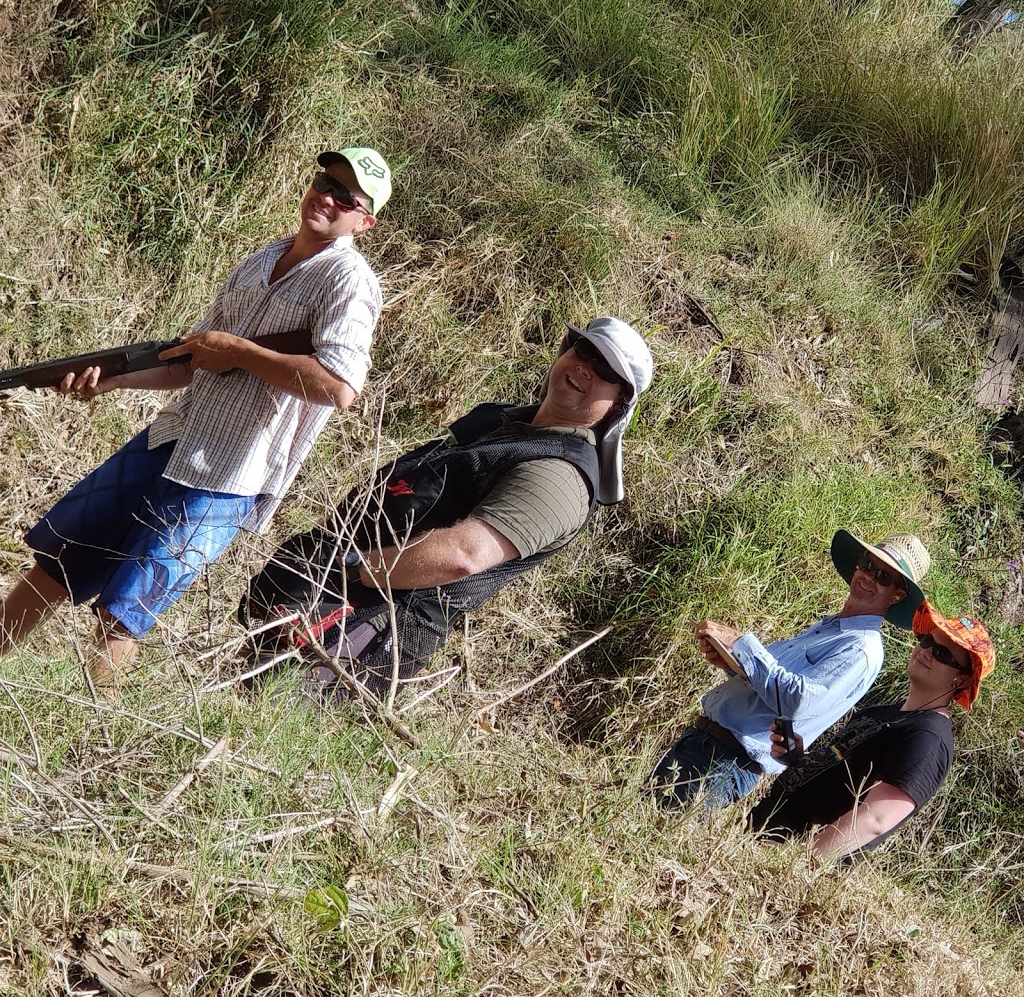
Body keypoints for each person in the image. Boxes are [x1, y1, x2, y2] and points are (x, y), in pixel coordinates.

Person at [0, 146, 393, 682]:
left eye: (345, 196)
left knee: (126, 613)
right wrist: (106, 381)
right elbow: (189, 363)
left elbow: (339, 387)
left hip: (230, 474)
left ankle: (93, 735)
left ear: (363, 221)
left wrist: (238, 352)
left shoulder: (349, 282)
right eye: (326, 180)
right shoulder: (261, 258)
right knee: (55, 563)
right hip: (171, 437)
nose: (327, 195)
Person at [239, 316, 654, 700]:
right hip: (325, 585)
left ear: (618, 404)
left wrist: (347, 568)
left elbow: (463, 557)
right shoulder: (505, 424)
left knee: (264, 720)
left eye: (605, 373)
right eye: (584, 351)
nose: (586, 368)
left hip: (367, 626)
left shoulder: (559, 476)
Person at [650, 530, 931, 811]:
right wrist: (733, 664)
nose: (869, 576)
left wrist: (741, 643)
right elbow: (772, 689)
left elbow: (798, 701)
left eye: (883, 576)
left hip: (725, 761)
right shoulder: (831, 629)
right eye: (868, 565)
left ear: (897, 595)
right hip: (703, 745)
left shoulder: (861, 650)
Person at [749, 601, 995, 861]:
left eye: (943, 655)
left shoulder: (928, 736)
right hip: (760, 833)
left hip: (787, 857)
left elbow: (876, 819)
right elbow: (838, 775)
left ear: (962, 680)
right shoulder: (880, 713)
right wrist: (797, 759)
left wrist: (797, 864)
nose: (927, 652)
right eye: (927, 641)